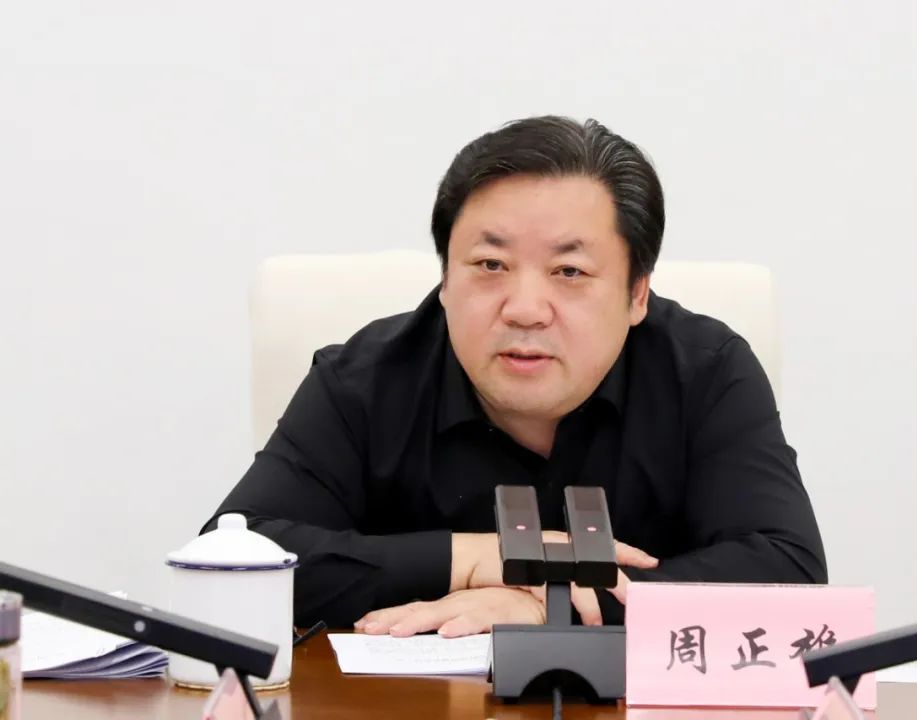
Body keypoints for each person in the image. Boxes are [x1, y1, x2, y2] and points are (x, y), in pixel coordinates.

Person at [204, 115, 826, 636]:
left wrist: (549, 608)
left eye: (569, 272)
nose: (525, 309)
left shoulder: (706, 373)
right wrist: (477, 559)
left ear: (637, 293)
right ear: (445, 279)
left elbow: (790, 575)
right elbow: (231, 561)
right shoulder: (364, 381)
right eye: (490, 264)